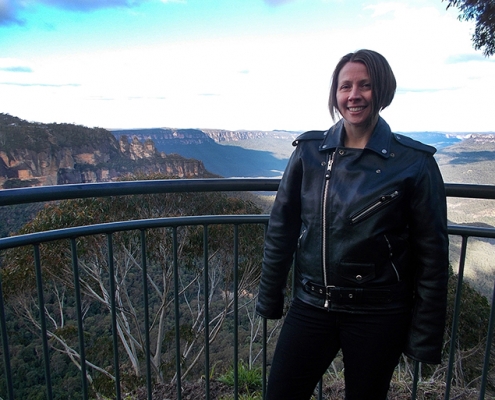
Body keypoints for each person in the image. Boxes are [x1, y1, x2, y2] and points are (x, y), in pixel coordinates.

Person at [256, 49, 449, 400]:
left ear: (383, 91)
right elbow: (281, 229)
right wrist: (270, 297)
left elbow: (432, 257)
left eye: (365, 85)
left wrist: (424, 335)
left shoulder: (414, 163)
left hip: (379, 313)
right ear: (335, 94)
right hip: (312, 305)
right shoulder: (309, 152)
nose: (353, 95)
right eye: (345, 86)